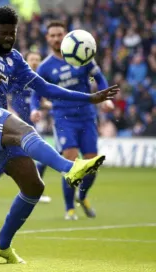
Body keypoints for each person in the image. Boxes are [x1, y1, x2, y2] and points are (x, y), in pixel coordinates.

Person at [0, 5, 118, 264]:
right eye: (4, 33)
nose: (9, 37)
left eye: (13, 33)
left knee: (34, 186)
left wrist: (89, 97)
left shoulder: (15, 60)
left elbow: (46, 88)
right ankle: (69, 168)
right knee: (24, 129)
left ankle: (2, 244)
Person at [30, 21, 114, 220]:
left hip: (87, 116)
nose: (57, 38)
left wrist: (105, 98)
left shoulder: (84, 56)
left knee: (92, 163)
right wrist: (34, 109)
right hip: (63, 118)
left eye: (60, 34)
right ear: (47, 39)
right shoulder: (45, 67)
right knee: (71, 161)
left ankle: (82, 196)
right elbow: (35, 94)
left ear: (66, 35)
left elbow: (99, 78)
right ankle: (69, 209)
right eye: (52, 35)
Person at [0, 51, 52, 204]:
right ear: (27, 61)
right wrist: (10, 111)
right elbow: (4, 94)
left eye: (37, 59)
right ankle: (33, 191)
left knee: (17, 159)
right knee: (34, 157)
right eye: (32, 59)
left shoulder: (37, 81)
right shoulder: (19, 78)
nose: (35, 62)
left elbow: (36, 101)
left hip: (30, 126)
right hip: (15, 124)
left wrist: (47, 106)